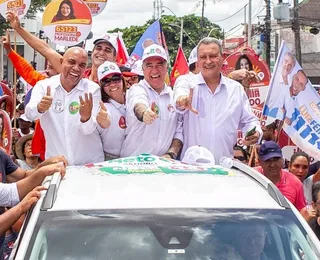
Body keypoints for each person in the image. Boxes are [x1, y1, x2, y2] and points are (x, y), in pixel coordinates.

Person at [174, 37, 261, 163]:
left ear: (222, 58)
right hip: (191, 169)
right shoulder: (187, 82)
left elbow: (250, 121)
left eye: (213, 56)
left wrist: (254, 133)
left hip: (224, 169)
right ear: (197, 61)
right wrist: (182, 100)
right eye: (203, 57)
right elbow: (180, 94)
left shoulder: (236, 89)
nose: (208, 61)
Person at [25, 47, 104, 165]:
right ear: (62, 62)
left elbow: (88, 130)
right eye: (71, 62)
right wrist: (40, 108)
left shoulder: (92, 89)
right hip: (57, 164)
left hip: (90, 164)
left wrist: (85, 118)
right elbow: (29, 114)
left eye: (82, 65)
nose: (76, 68)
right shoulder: (44, 86)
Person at [6, 11, 118, 83]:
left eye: (107, 50)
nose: (101, 52)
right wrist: (18, 29)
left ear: (114, 57)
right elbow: (45, 49)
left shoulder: (118, 83)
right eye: (98, 48)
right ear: (92, 52)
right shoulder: (76, 74)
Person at [120, 44, 183, 159]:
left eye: (159, 65)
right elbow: (138, 104)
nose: (155, 70)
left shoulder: (173, 96)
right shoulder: (137, 89)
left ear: (166, 67)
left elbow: (179, 132)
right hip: (133, 164)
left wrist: (171, 154)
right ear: (143, 69)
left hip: (162, 166)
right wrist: (144, 114)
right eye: (149, 65)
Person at [255, 141, 307, 214]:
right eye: (267, 161)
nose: (272, 165)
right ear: (259, 162)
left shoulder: (295, 183)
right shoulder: (251, 177)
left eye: (276, 159)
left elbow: (301, 212)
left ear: (282, 159)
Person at [96, 61, 126, 159]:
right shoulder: (104, 107)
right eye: (106, 81)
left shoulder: (133, 99)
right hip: (110, 159)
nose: (112, 84)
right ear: (101, 86)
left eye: (116, 79)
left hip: (134, 156)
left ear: (122, 79)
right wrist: (104, 120)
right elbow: (105, 120)